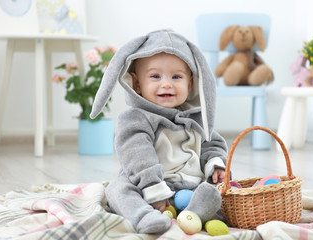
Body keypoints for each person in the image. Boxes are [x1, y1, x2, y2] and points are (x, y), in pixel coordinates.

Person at [90, 29, 228, 234]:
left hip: (189, 187)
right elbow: (136, 155)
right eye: (155, 76)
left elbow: (212, 143)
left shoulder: (197, 118)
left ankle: (193, 213)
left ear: (190, 84)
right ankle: (143, 215)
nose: (166, 84)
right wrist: (153, 188)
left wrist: (215, 164)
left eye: (176, 76)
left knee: (214, 192)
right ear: (137, 84)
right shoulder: (136, 118)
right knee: (118, 188)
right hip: (147, 185)